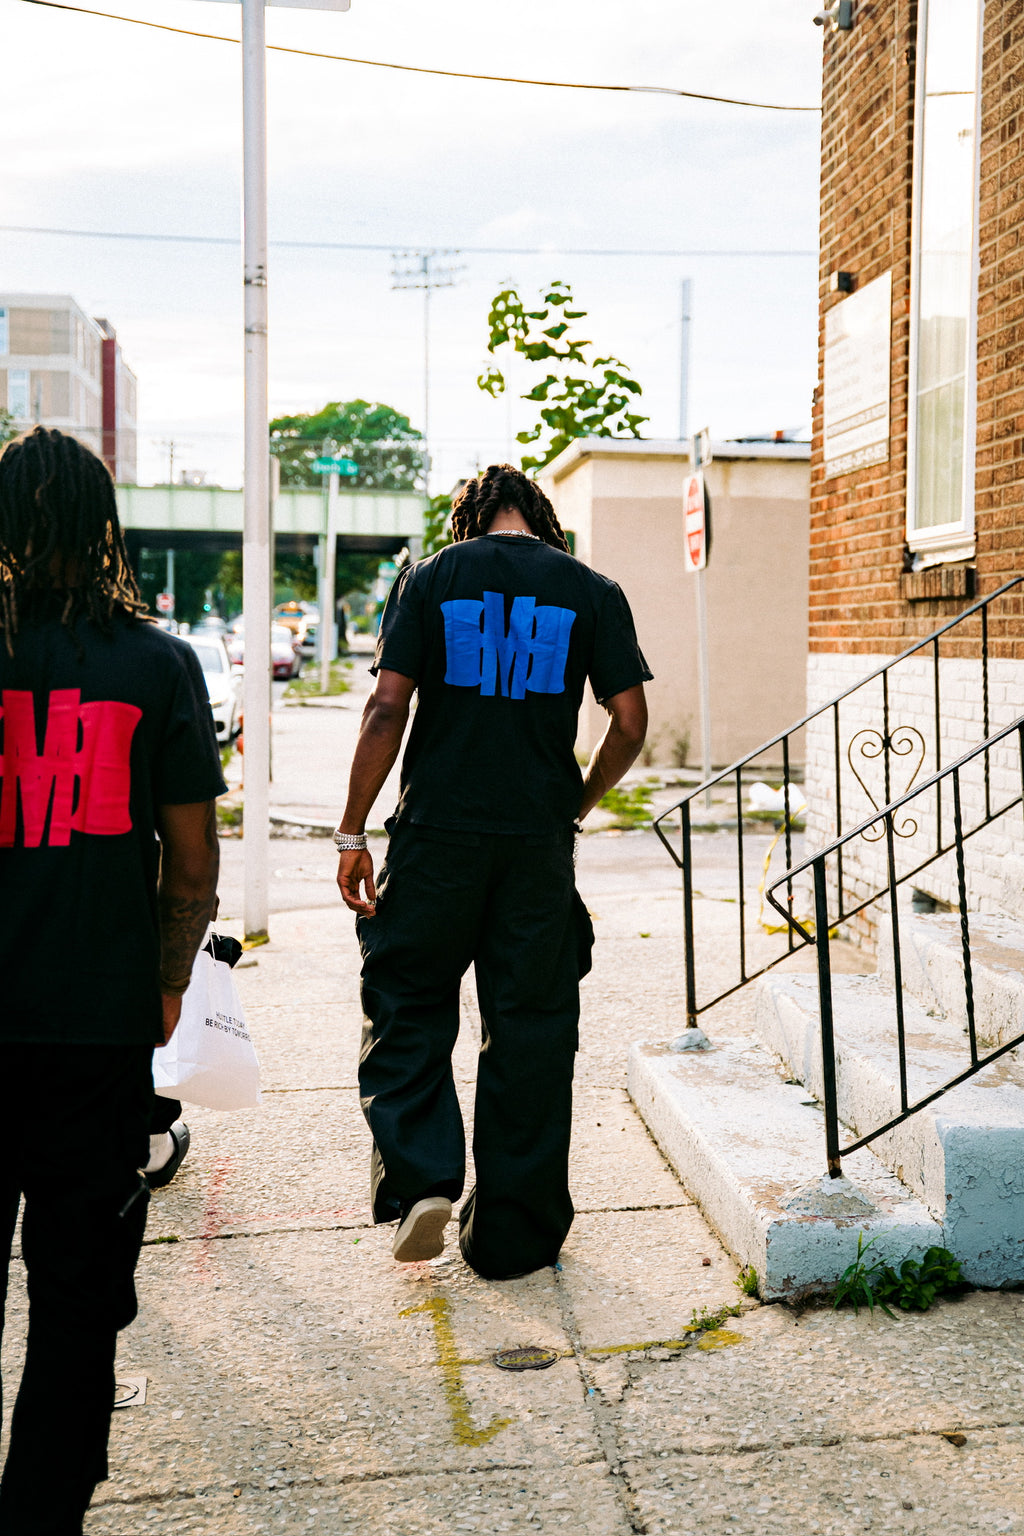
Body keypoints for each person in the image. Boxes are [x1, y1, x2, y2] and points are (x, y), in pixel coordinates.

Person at [335, 462, 651, 1280]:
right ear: (538, 516)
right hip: (535, 848)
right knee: (533, 1032)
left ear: (469, 518)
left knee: (405, 1002)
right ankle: (513, 1238)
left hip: (437, 837)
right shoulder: (592, 590)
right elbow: (630, 720)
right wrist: (576, 804)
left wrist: (350, 830)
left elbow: (385, 708)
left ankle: (421, 1182)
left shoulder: (431, 578)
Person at [0, 427, 224, 1536]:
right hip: (93, 1023)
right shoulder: (156, 664)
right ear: (105, 526)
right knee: (78, 1289)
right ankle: (42, 1514)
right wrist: (169, 979)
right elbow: (191, 859)